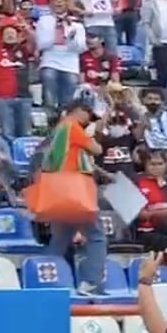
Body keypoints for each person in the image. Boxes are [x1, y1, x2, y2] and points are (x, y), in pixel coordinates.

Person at [38, 100, 107, 295]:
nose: (88, 122)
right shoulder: (71, 126)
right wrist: (94, 133)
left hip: (58, 188)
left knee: (61, 238)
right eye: (87, 116)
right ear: (78, 111)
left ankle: (46, 279)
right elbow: (97, 149)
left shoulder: (58, 131)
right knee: (96, 236)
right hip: (74, 189)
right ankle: (91, 282)